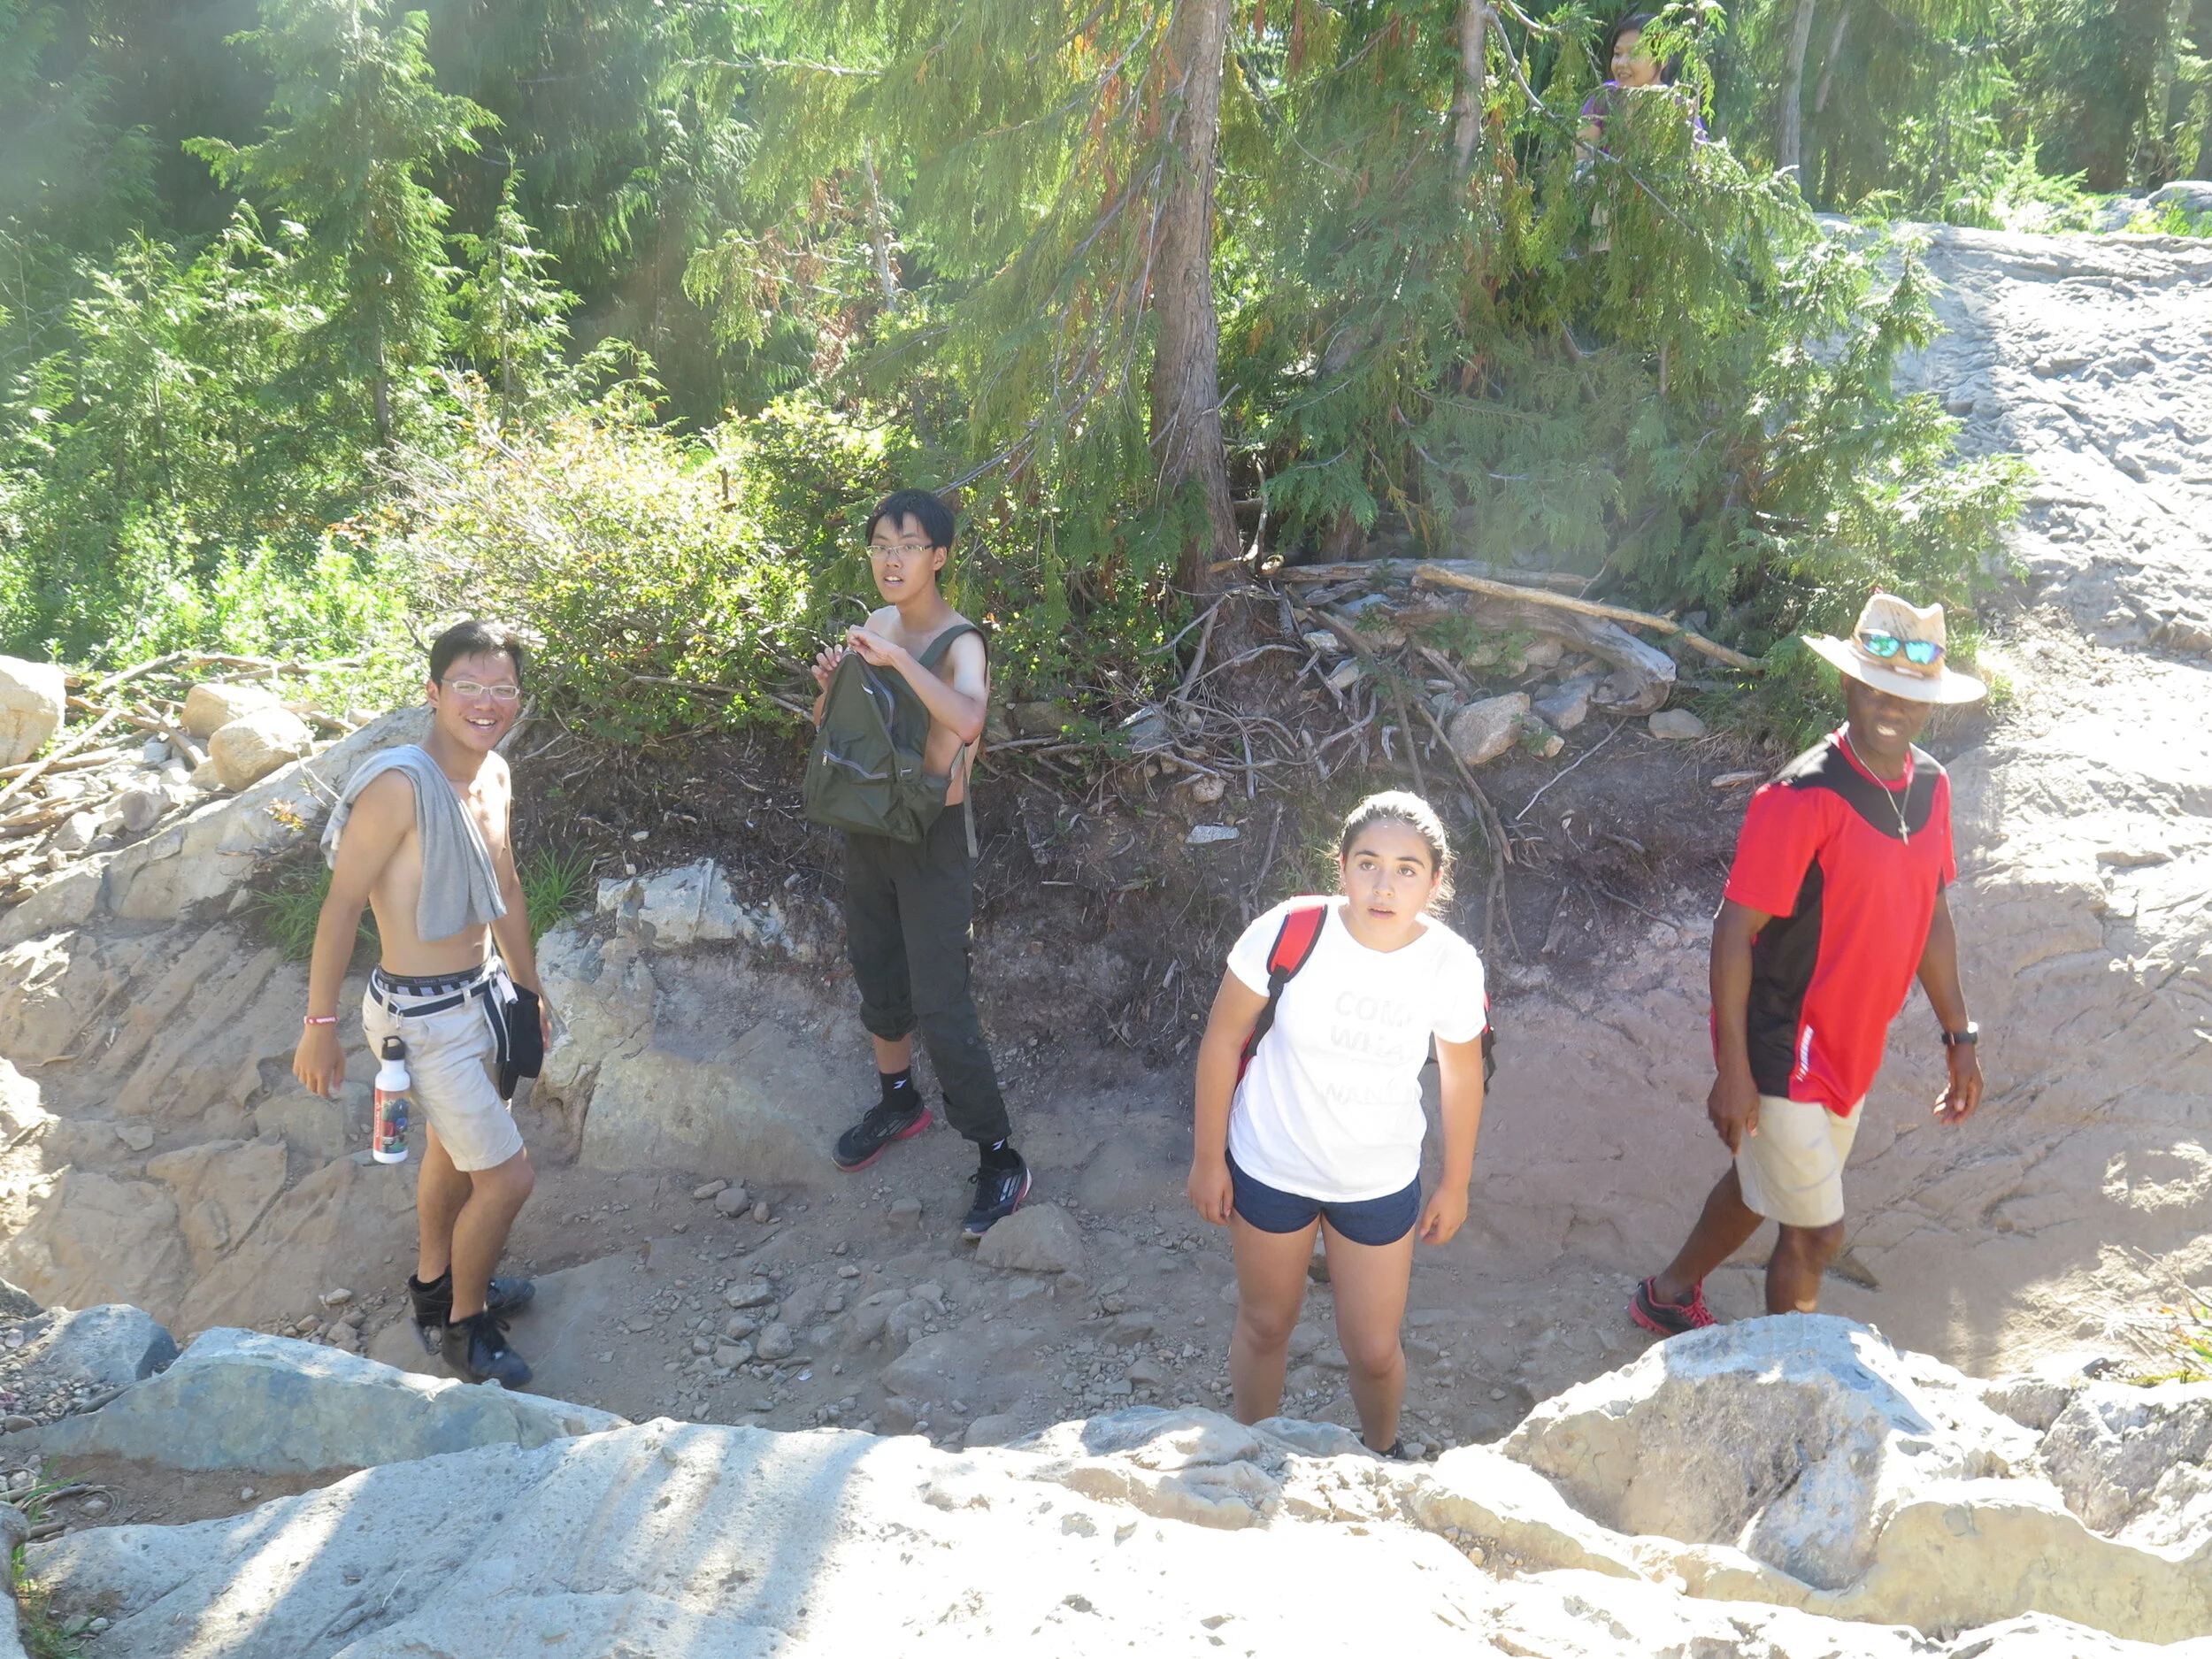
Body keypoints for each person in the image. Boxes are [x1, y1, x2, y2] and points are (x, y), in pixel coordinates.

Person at [1631, 593, 1988, 1334]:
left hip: (1852, 1045)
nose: (1892, 706)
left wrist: (1960, 1035)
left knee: (1764, 1184)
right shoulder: (1800, 796)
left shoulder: (1932, 785)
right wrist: (1734, 1070)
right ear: (1848, 683)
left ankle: (1666, 1295)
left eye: (1910, 694)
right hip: (1781, 1042)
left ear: (1931, 704)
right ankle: (1797, 1377)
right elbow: (1734, 931)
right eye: (1876, 687)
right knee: (1817, 1232)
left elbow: (1932, 914)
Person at [1187, 792, 1488, 1458]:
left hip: (1377, 1179)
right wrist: (1208, 1159)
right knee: (1266, 1325)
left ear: (1436, 881)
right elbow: (1222, 1039)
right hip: (1272, 1164)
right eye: (1368, 863)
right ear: (1342, 865)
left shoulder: (1451, 963)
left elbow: (1462, 1076)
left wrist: (1456, 1183)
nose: (1384, 886)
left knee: (1374, 1349)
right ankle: (1254, 1456)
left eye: (1407, 869)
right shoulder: (1290, 930)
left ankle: (1382, 1456)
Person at [292, 619, 549, 1386]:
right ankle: (466, 1328)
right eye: (467, 685)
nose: (485, 702)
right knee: (507, 1178)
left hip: (482, 995)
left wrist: (527, 988)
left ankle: (436, 1286)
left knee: (450, 1150)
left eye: (502, 688)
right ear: (433, 692)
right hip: (419, 1015)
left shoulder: (494, 774)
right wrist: (318, 1024)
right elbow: (342, 906)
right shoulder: (399, 786)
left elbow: (506, 886)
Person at [816, 489, 1029, 1238]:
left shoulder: (961, 642)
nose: (892, 559)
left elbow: (967, 719)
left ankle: (999, 1155)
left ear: (938, 556)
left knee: (942, 999)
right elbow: (844, 730)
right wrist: (831, 691)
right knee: (876, 969)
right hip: (870, 821)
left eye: (908, 546)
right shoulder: (875, 625)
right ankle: (899, 1100)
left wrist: (901, 661)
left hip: (932, 833)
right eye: (881, 545)